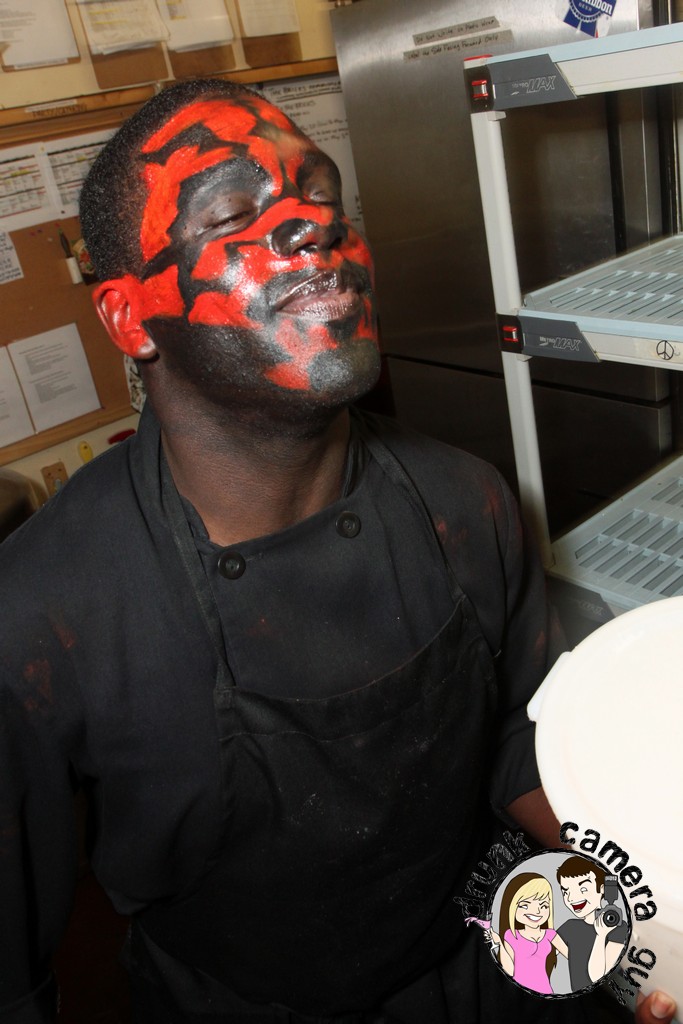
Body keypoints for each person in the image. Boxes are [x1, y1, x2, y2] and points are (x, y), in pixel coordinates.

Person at [0, 79, 676, 1024]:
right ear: (128, 316)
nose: (309, 224)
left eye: (321, 195)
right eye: (231, 213)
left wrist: (642, 935)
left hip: (483, 958)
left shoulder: (466, 501)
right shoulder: (41, 614)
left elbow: (519, 752)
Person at [557, 856, 630, 992]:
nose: (571, 898)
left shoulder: (618, 929)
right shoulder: (570, 926)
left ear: (602, 889)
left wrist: (601, 936)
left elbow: (596, 976)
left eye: (583, 889)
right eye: (566, 892)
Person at [488, 872, 568, 995]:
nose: (536, 911)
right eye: (525, 905)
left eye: (544, 905)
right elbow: (509, 971)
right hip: (518, 995)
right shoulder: (511, 936)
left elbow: (573, 957)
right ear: (512, 907)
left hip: (546, 992)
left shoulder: (550, 934)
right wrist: (499, 943)